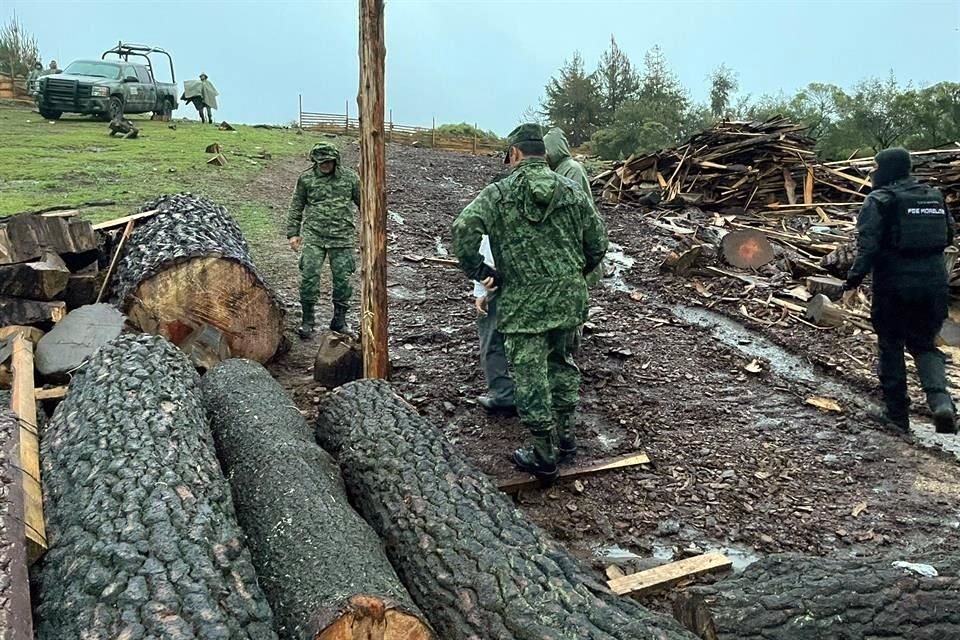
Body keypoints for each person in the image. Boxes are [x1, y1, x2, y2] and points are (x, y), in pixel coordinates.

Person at [453, 123, 608, 481]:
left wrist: (481, 271)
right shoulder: (572, 190)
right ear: (542, 152)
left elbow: (462, 230)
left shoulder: (498, 193)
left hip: (522, 302)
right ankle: (567, 436)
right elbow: (598, 242)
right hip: (568, 298)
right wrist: (574, 272)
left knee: (529, 373)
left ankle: (543, 451)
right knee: (563, 362)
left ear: (516, 153)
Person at [842, 147, 957, 435]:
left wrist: (852, 280)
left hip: (894, 286)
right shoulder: (934, 197)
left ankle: (897, 416)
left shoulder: (880, 200)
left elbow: (867, 247)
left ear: (887, 169)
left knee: (891, 345)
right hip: (933, 285)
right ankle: (941, 402)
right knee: (925, 344)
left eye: (875, 167)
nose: (872, 173)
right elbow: (949, 235)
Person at [287, 141, 361, 338]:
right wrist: (293, 234)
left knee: (343, 280)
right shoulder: (306, 179)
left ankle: (339, 320)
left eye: (328, 161)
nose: (325, 165)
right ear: (315, 161)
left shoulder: (351, 178)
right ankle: (308, 320)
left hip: (342, 237)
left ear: (336, 160)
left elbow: (366, 204)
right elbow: (296, 207)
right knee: (309, 276)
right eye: (321, 162)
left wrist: (372, 233)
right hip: (314, 236)